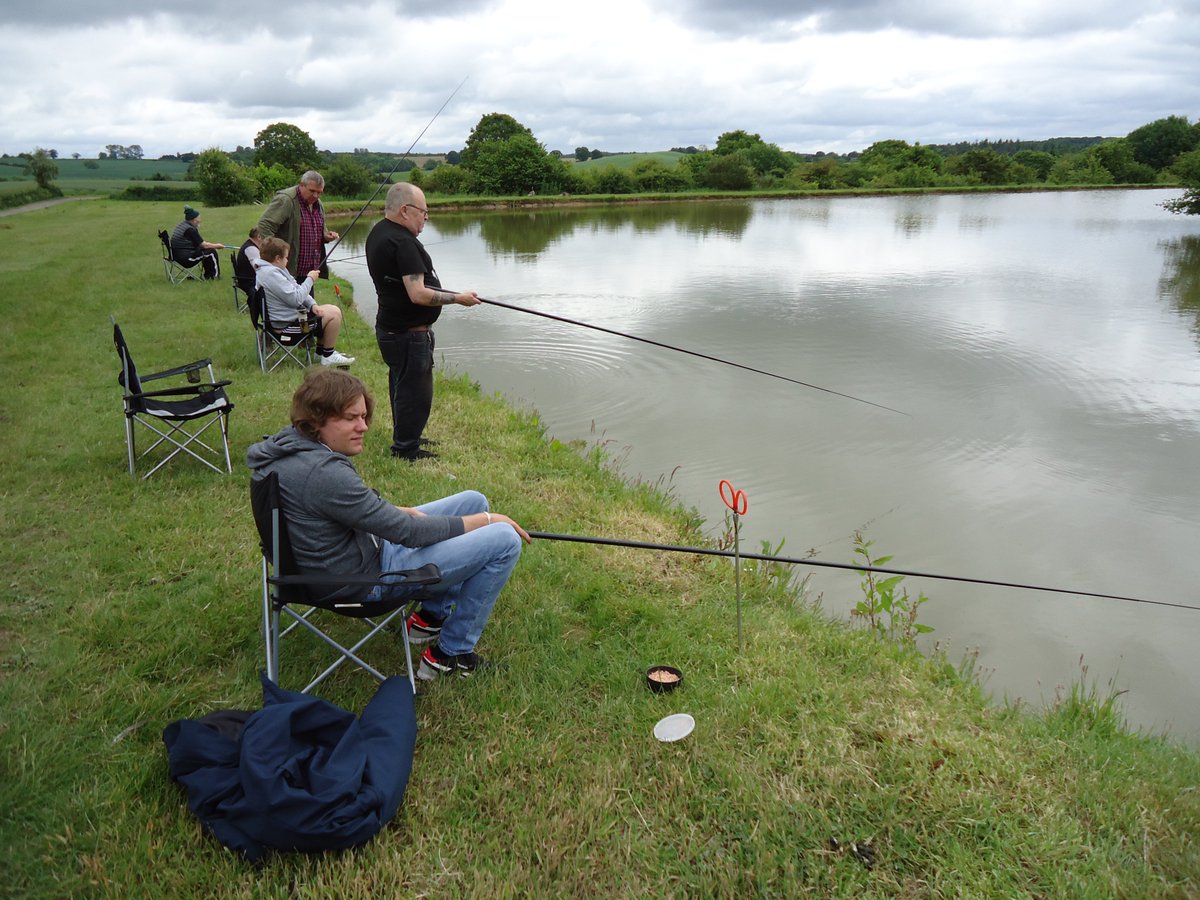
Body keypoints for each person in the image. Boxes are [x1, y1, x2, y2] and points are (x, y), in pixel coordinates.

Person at [246, 368, 530, 679]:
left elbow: (327, 509)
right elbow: (410, 534)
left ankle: (429, 620)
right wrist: (488, 521)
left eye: (364, 416)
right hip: (362, 582)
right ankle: (449, 655)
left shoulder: (286, 450)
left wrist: (390, 511)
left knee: (472, 500)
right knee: (503, 539)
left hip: (350, 552)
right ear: (317, 419)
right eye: (351, 418)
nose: (363, 426)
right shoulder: (323, 474)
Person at [366, 182, 481, 461]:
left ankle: (408, 436)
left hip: (391, 328)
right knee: (415, 393)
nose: (426, 218)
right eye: (423, 212)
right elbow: (417, 294)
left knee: (401, 384)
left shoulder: (379, 232)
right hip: (408, 334)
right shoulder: (403, 242)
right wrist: (457, 298)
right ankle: (406, 449)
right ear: (405, 211)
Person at [253, 237, 355, 367]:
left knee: (328, 309)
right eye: (286, 257)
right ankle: (328, 355)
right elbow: (296, 299)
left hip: (290, 320)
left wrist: (313, 305)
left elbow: (296, 288)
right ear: (278, 258)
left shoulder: (272, 270)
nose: (287, 260)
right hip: (286, 327)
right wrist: (310, 279)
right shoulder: (271, 275)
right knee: (335, 313)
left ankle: (320, 354)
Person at [256, 171, 340, 282]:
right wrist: (276, 252)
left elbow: (319, 229)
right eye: (312, 191)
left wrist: (326, 236)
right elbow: (264, 224)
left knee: (307, 299)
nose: (316, 195)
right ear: (301, 185)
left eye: (319, 192)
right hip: (288, 271)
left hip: (309, 273)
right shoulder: (286, 200)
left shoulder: (318, 204)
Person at [171, 205, 224, 279]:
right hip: (186, 259)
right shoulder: (190, 230)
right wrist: (217, 246)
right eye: (198, 218)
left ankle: (208, 276)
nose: (200, 220)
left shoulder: (181, 225)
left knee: (205, 251)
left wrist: (206, 245)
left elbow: (199, 244)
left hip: (176, 256)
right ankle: (214, 276)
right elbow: (204, 245)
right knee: (211, 252)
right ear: (193, 220)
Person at [233, 227, 262, 299]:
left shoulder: (250, 245)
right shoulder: (251, 249)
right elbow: (260, 269)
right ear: (259, 237)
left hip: (249, 279)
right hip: (249, 281)